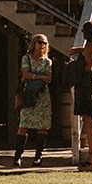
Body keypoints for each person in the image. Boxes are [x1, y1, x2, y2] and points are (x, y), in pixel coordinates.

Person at [68, 20, 92, 171]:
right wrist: (78, 50)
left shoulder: (90, 46)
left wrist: (73, 68)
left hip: (88, 87)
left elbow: (89, 65)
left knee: (88, 121)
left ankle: (91, 158)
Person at [13, 34, 55, 166]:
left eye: (44, 43)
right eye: (39, 43)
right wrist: (40, 77)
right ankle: (18, 157)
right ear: (34, 44)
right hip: (29, 94)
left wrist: (33, 76)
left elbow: (49, 79)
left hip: (42, 96)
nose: (42, 45)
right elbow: (25, 74)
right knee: (23, 125)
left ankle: (38, 157)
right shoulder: (26, 58)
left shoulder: (47, 61)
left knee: (42, 126)